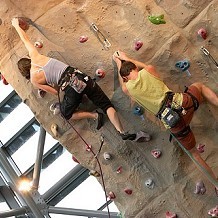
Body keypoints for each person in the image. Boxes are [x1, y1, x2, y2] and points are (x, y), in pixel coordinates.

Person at [11, 17, 140, 141]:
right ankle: (121, 131)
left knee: (66, 114)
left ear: (24, 73)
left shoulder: (34, 80)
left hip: (69, 87)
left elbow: (56, 92)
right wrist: (16, 25)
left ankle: (94, 115)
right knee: (106, 105)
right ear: (27, 61)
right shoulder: (35, 57)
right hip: (79, 76)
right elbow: (25, 40)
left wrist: (53, 82)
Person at [113, 50, 218, 191]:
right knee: (199, 86)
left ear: (125, 77)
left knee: (194, 154)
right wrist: (126, 58)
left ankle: (216, 184)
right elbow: (145, 66)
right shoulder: (148, 70)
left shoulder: (129, 89)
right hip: (182, 103)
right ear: (135, 68)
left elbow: (123, 87)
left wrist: (118, 63)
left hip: (173, 122)